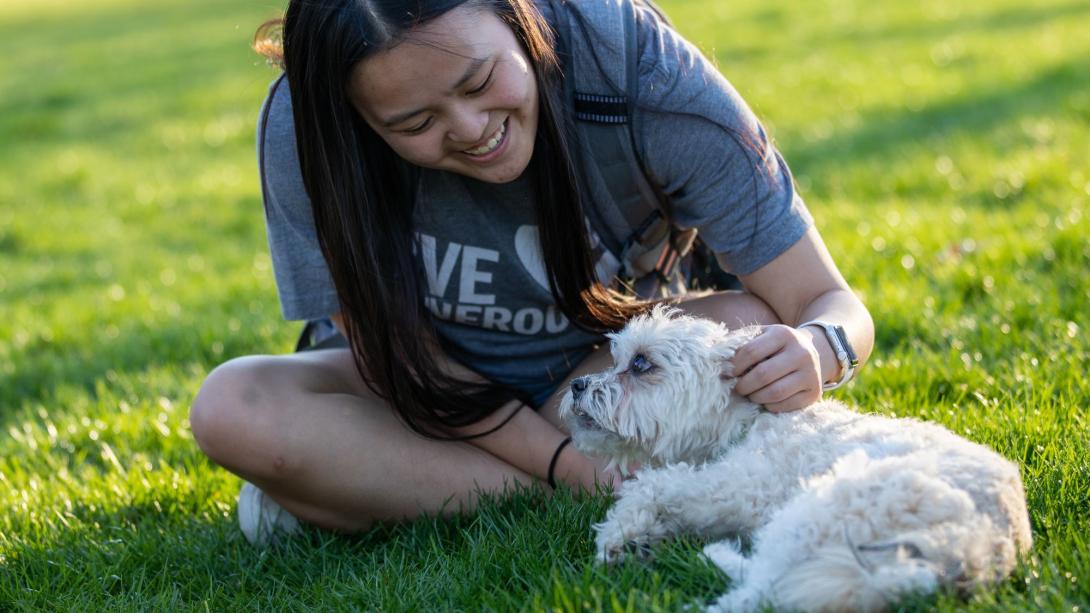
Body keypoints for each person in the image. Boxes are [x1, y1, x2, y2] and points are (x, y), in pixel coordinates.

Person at [189, 0, 874, 547]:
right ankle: (592, 485)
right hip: (420, 397)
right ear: (357, 118)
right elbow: (399, 360)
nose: (471, 127)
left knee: (754, 326)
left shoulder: (631, 65)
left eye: (481, 81)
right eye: (416, 121)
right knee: (232, 408)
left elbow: (824, 300)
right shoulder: (306, 130)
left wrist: (820, 347)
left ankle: (360, 490)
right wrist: (563, 465)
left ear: (518, 17)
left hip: (598, 373)